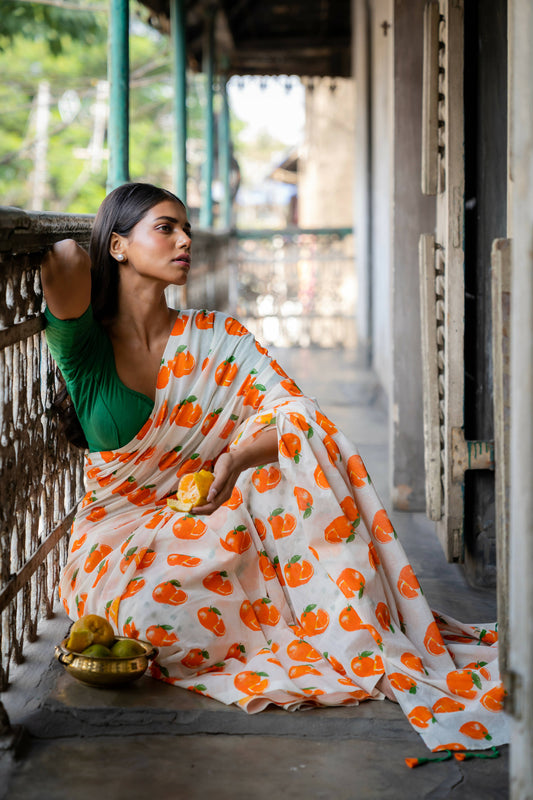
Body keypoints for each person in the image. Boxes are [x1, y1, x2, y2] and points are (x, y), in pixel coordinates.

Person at [42, 182, 508, 752]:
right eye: (165, 228)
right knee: (151, 623)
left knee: (281, 463)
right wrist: (96, 249)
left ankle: (318, 624)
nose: (185, 240)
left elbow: (292, 412)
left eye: (186, 228)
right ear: (118, 246)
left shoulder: (219, 338)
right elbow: (66, 257)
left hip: (204, 517)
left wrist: (234, 460)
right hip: (115, 534)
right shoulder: (85, 346)